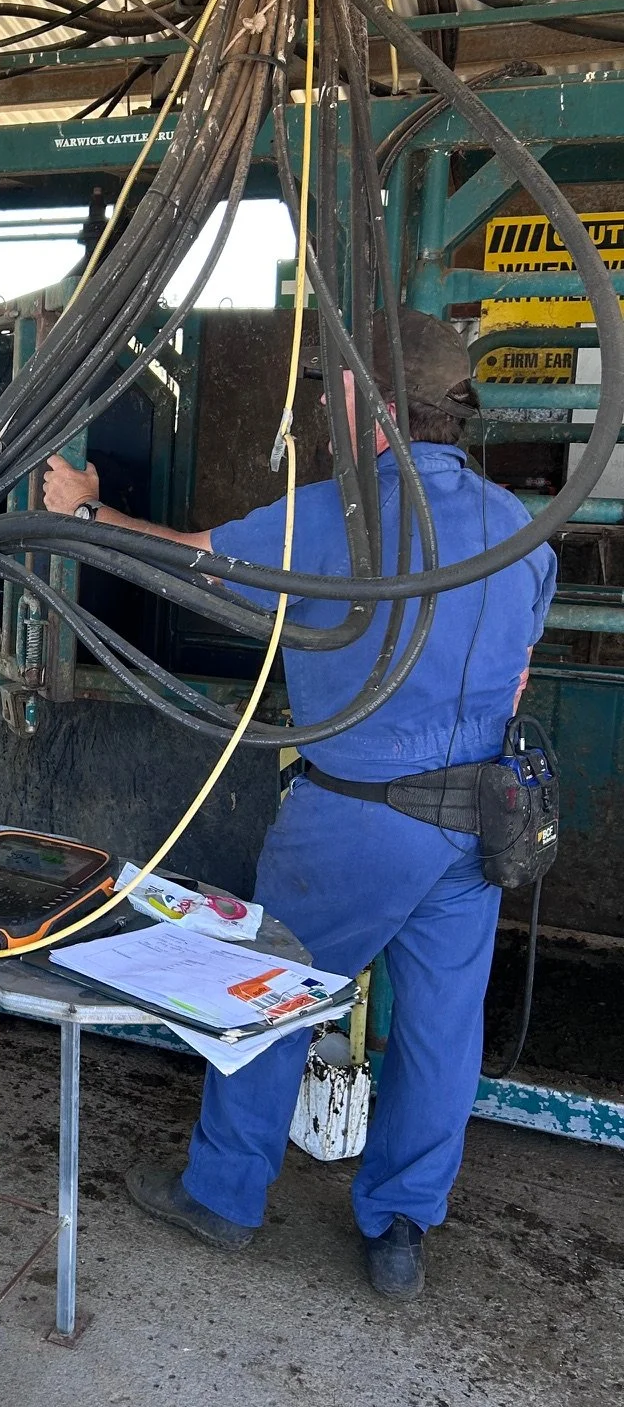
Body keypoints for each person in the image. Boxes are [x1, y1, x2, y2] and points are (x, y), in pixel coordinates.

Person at [44, 311, 556, 1300]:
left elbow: (190, 559)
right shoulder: (523, 533)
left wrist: (87, 513)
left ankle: (225, 1195)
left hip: (354, 816)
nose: (325, 405)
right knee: (441, 1029)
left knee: (268, 993)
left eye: (333, 389)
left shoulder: (331, 518)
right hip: (478, 825)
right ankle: (402, 1228)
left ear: (369, 403)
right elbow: (521, 676)